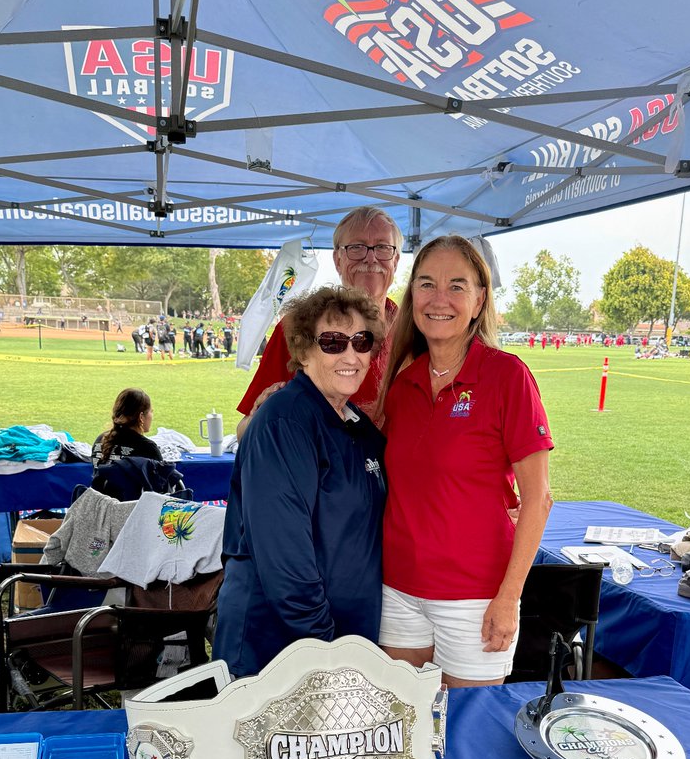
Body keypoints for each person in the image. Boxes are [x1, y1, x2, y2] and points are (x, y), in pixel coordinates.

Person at [376, 235, 554, 689]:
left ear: (479, 301)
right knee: (404, 734)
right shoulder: (403, 385)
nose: (439, 299)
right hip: (398, 589)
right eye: (426, 284)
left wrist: (508, 598)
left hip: (475, 596)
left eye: (457, 286)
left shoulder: (507, 376)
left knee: (467, 738)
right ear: (411, 294)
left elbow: (538, 499)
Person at [213, 286, 386, 679]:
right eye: (332, 342)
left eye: (361, 341)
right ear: (304, 350)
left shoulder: (357, 425)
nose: (350, 355)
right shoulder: (284, 423)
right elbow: (284, 557)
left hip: (342, 644)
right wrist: (325, 651)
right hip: (280, 649)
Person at [235, 205, 403, 438]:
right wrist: (261, 418)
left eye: (383, 247)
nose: (371, 257)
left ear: (395, 260)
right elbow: (244, 432)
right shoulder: (298, 327)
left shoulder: (415, 330)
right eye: (357, 248)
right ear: (337, 259)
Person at [91, 388, 163, 467]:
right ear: (141, 417)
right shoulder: (148, 448)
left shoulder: (100, 439)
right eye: (151, 411)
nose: (152, 415)